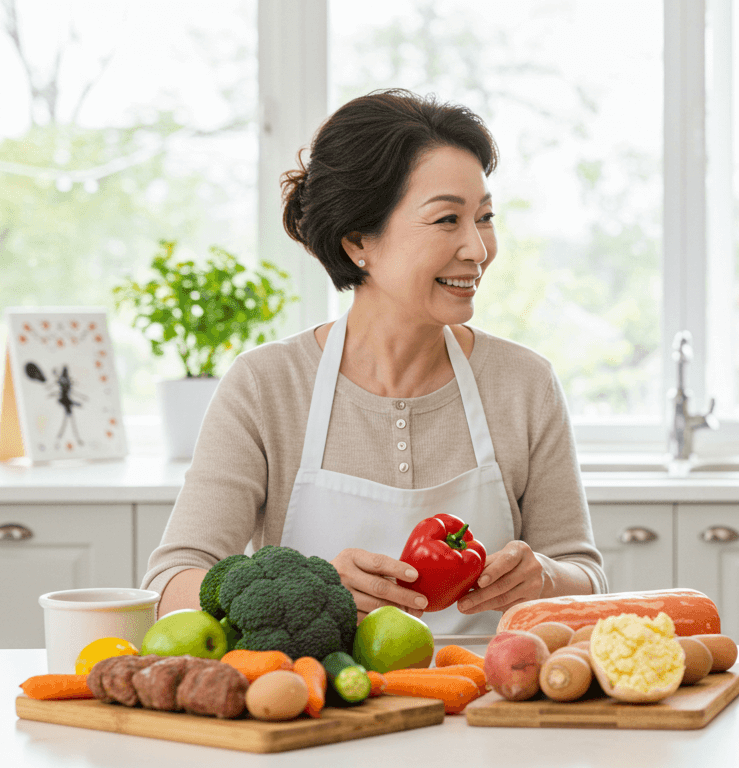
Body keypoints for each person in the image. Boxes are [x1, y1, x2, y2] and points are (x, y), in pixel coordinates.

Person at [143, 89, 605, 635]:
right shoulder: (267, 385)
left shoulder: (524, 383)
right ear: (358, 241)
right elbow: (169, 584)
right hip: (319, 687)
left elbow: (586, 576)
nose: (478, 249)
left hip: (488, 686)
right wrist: (306, 589)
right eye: (447, 219)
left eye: (484, 217)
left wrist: (547, 578)